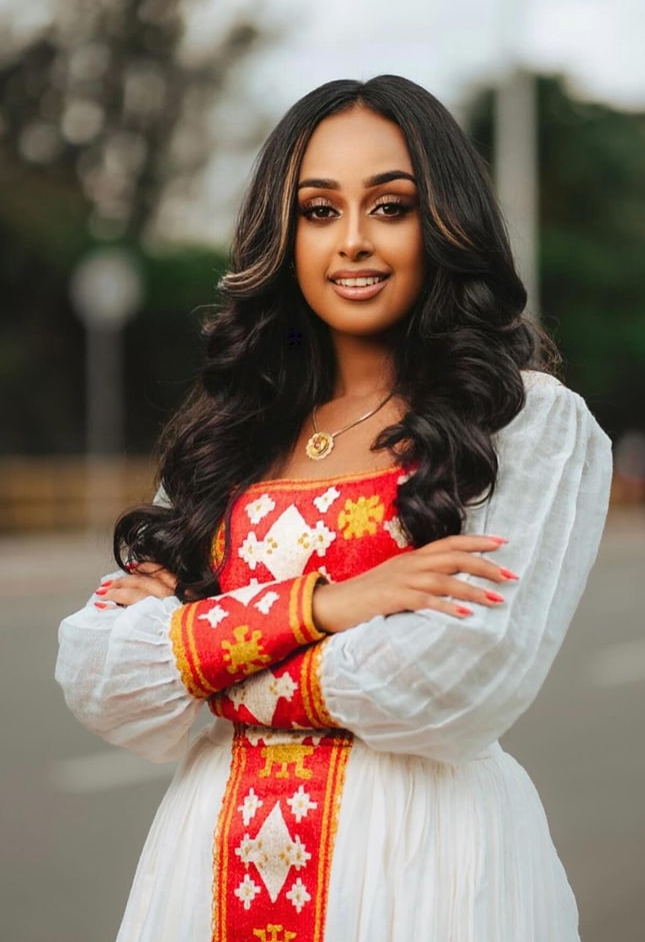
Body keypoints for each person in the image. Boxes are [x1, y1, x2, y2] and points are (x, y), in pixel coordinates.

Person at [56, 75, 612, 942]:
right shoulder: (231, 437)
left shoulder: (524, 422)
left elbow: (459, 681)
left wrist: (205, 658)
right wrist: (329, 603)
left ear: (445, 224)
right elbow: (99, 673)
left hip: (424, 871)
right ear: (284, 234)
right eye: (319, 212)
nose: (352, 242)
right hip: (204, 877)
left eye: (390, 207)